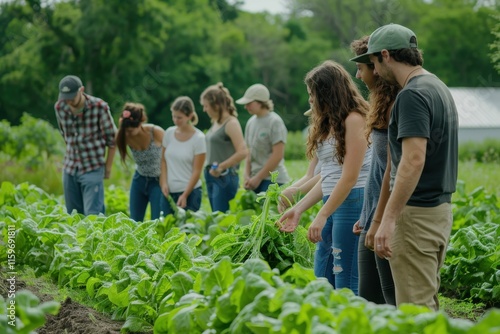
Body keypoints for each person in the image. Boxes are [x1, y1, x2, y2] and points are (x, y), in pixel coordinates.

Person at [350, 23, 458, 310]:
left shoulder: (411, 95)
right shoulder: (437, 86)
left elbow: (412, 160)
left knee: (415, 312)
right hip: (438, 210)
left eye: (372, 62)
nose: (372, 70)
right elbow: (396, 162)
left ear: (385, 55)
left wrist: (388, 219)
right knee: (425, 303)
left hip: (415, 216)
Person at [278, 60, 371, 293]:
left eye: (312, 94)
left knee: (346, 281)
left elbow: (349, 177)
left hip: (353, 200)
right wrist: (299, 209)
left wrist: (321, 215)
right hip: (333, 200)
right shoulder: (329, 123)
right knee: (322, 276)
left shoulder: (355, 119)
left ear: (327, 93)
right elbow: (328, 177)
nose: (310, 99)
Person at [350, 36, 398, 305]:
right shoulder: (378, 104)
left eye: (362, 68)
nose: (359, 75)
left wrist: (380, 218)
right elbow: (376, 170)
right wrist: (367, 213)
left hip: (387, 217)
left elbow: (394, 169)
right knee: (369, 299)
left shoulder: (397, 106)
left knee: (390, 299)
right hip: (372, 216)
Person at [54, 75, 116, 216]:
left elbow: (112, 141)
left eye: (72, 97)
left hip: (92, 167)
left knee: (93, 216)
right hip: (70, 167)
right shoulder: (60, 107)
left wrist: (108, 168)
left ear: (81, 90)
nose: (69, 101)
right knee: (73, 215)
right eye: (66, 97)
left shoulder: (99, 107)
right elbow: (65, 134)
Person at [200, 82, 247, 213]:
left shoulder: (231, 123)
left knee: (222, 220)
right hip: (211, 175)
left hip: (224, 178)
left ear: (216, 105)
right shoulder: (215, 122)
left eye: (206, 106)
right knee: (216, 218)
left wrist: (221, 167)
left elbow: (243, 152)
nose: (204, 110)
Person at [235, 84, 290, 193]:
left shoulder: (275, 122)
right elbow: (249, 152)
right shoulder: (250, 122)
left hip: (273, 181)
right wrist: (246, 175)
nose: (246, 107)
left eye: (249, 103)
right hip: (254, 180)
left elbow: (277, 155)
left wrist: (259, 178)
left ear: (260, 102)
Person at [115, 102, 164, 221]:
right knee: (134, 221)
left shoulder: (155, 132)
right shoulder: (123, 135)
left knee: (156, 221)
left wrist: (166, 181)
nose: (128, 134)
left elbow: (171, 156)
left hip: (157, 181)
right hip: (139, 180)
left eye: (131, 131)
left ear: (140, 123)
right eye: (126, 131)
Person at [160, 96, 206, 214]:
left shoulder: (199, 138)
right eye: (174, 116)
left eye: (179, 117)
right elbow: (163, 161)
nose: (175, 120)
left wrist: (185, 194)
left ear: (190, 116)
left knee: (187, 231)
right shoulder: (169, 133)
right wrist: (164, 182)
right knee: (166, 230)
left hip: (191, 193)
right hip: (168, 192)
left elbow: (197, 171)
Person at [277, 109, 321, 214]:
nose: (315, 120)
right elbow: (310, 175)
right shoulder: (321, 137)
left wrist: (297, 192)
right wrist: (287, 193)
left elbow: (330, 172)